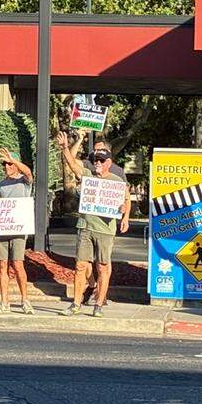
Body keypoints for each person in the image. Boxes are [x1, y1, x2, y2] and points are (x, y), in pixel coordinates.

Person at [57, 132, 130, 317]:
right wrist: (65, 147)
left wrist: (125, 214)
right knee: (80, 265)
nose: (97, 162)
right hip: (85, 227)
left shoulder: (117, 181)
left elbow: (126, 200)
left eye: (101, 160)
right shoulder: (88, 176)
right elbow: (72, 165)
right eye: (96, 159)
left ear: (109, 163)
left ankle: (99, 303)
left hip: (105, 230)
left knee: (102, 266)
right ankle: (75, 303)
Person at [0, 147, 35, 315]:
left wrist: (13, 158)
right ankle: (4, 301)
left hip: (18, 229)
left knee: (17, 264)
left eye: (10, 164)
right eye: (5, 164)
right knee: (2, 265)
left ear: (16, 165)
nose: (7, 167)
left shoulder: (23, 182)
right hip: (3, 229)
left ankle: (25, 300)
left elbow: (29, 172)